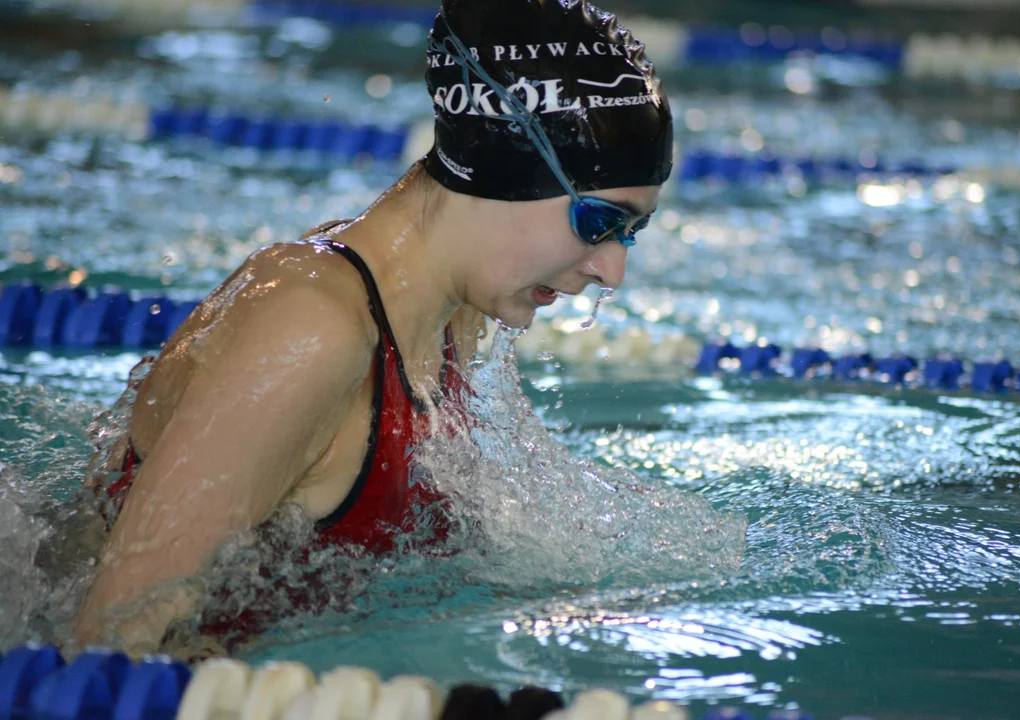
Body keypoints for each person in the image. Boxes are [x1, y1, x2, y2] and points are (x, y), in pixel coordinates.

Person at [74, 0, 673, 654]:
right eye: (598, 223)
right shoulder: (312, 329)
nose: (611, 271)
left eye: (631, 233)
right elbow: (107, 647)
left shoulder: (456, 311)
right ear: (511, 170)